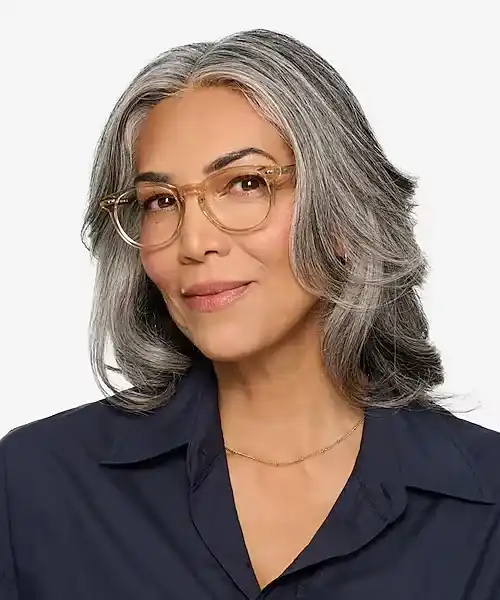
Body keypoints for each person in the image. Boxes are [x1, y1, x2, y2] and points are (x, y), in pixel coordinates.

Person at [1, 28, 499, 600]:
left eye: (244, 184)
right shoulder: (37, 484)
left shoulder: (486, 506)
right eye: (160, 201)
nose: (193, 240)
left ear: (340, 215)